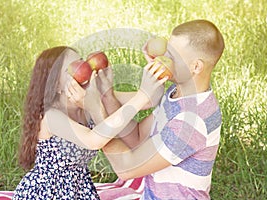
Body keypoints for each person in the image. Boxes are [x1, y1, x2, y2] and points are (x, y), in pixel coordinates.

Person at [13, 46, 165, 199]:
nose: (85, 67)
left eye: (82, 61)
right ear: (56, 85)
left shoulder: (92, 97)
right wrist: (140, 97)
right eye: (74, 67)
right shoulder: (51, 116)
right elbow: (93, 140)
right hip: (47, 192)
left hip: (79, 188)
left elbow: (152, 99)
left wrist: (156, 66)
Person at [96, 19, 225, 200]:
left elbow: (127, 167)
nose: (163, 59)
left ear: (196, 67)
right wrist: (107, 97)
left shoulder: (191, 121)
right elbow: (138, 137)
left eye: (172, 56)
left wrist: (97, 117)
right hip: (150, 191)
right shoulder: (178, 93)